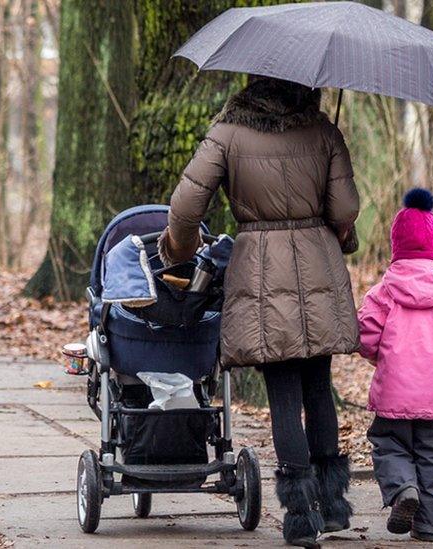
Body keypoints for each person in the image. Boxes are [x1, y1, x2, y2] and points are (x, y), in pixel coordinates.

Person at [159, 75, 360, 548]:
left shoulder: (227, 133)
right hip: (319, 266)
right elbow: (345, 208)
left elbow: (186, 206)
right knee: (318, 386)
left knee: (283, 393)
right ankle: (333, 506)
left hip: (260, 270)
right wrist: (342, 236)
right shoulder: (324, 131)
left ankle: (300, 518)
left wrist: (179, 252)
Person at [357, 188, 433, 542]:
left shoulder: (383, 292)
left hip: (394, 392)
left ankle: (402, 490)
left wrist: (377, 357)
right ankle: (428, 526)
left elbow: (366, 335)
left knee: (388, 445)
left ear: (396, 245)